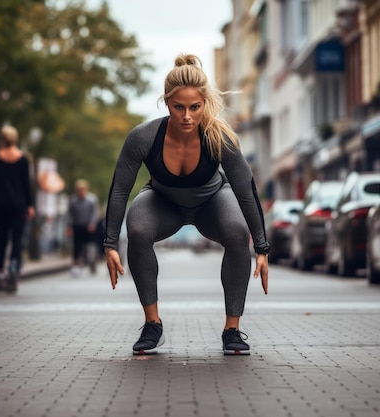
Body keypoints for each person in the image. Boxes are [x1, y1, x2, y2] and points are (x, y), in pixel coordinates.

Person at [103, 54, 270, 356]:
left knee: (235, 229)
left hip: (212, 203)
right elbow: (119, 190)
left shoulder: (220, 138)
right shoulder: (143, 137)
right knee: (138, 227)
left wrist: (261, 248)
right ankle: (152, 325)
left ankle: (232, 329)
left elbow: (246, 191)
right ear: (166, 103)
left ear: (205, 103)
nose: (187, 116)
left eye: (195, 107)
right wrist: (110, 244)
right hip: (163, 204)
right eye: (178, 107)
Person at [0, 125, 35, 293]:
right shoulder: (23, 159)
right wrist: (30, 205)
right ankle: (12, 269)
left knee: (2, 238)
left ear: (2, 138)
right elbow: (28, 185)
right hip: (18, 205)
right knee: (17, 239)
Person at [66, 179, 100, 276]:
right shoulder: (73, 201)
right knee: (76, 247)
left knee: (91, 245)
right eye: (79, 189)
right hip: (77, 226)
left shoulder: (92, 199)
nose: (81, 191)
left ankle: (92, 261)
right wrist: (69, 226)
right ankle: (76, 265)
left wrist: (92, 223)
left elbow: (94, 213)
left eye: (83, 189)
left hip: (89, 226)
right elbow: (69, 214)